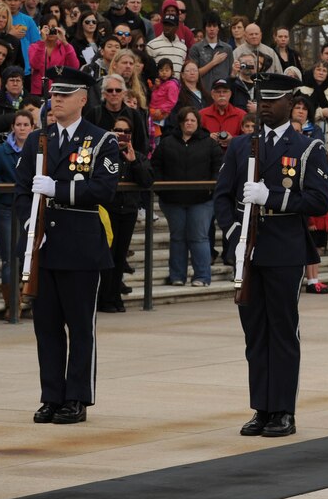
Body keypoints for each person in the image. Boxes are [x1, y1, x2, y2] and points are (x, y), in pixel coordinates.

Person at [213, 73, 328, 437]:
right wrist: (235, 235)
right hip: (247, 248)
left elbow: (318, 200)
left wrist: (273, 198)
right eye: (261, 99)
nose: (265, 105)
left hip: (284, 246)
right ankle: (261, 407)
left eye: (274, 99)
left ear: (291, 102)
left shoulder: (308, 147)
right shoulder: (240, 146)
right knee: (254, 333)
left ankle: (283, 409)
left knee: (282, 330)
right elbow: (221, 196)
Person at [14, 66, 120, 424]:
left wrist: (57, 190)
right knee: (45, 326)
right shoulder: (37, 140)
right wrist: (32, 224)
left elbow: (103, 190)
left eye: (64, 94)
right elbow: (21, 191)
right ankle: (51, 396)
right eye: (53, 94)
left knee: (79, 326)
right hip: (44, 244)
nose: (55, 100)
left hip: (80, 244)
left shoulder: (102, 140)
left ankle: (77, 397)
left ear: (82, 98)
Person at [150, 106, 222, 286]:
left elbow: (217, 167)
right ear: (180, 123)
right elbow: (156, 166)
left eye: (193, 120)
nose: (189, 123)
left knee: (199, 237)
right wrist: (161, 189)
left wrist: (211, 189)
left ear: (198, 123)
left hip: (202, 200)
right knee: (177, 238)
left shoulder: (209, 143)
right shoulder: (167, 142)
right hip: (173, 200)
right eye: (186, 120)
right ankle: (177, 276)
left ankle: (202, 276)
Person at [99, 115, 153, 312]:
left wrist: (133, 162)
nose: (121, 134)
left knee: (120, 257)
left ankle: (115, 297)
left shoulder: (137, 156)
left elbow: (147, 181)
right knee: (107, 256)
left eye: (125, 131)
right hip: (108, 211)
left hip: (128, 211)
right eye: (117, 130)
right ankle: (104, 298)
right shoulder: (104, 154)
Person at [0, 109, 33, 318]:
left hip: (29, 208)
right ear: (12, 127)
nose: (22, 128)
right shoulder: (0, 151)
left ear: (32, 127)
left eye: (26, 125)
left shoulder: (37, 150)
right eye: (19, 125)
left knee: (27, 255)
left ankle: (24, 297)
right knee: (8, 256)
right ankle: (12, 304)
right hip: (6, 208)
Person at [28, 14, 78, 96]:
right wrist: (42, 42)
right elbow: (35, 65)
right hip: (39, 91)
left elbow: (74, 66)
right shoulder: (35, 47)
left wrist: (65, 42)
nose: (51, 30)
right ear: (41, 29)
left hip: (59, 90)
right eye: (47, 27)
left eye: (53, 27)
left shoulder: (64, 47)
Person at [188, 10, 233, 92]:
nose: (212, 29)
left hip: (223, 94)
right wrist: (213, 62)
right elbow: (193, 74)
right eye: (209, 26)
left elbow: (231, 74)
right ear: (204, 28)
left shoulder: (227, 49)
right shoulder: (195, 48)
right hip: (202, 93)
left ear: (218, 28)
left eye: (214, 26)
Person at [200, 77, 246, 153]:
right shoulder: (201, 114)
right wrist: (207, 138)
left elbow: (249, 138)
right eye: (218, 92)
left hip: (233, 157)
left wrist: (232, 140)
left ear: (230, 94)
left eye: (225, 91)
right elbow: (193, 137)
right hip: (208, 157)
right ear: (212, 94)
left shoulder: (241, 115)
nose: (221, 94)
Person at [146, 11, 186, 78]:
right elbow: (149, 69)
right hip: (160, 86)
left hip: (179, 86)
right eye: (165, 24)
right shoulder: (152, 45)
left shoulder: (183, 47)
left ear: (176, 27)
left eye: (170, 25)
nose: (167, 27)